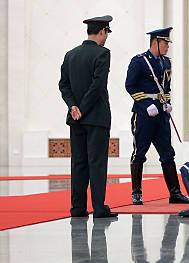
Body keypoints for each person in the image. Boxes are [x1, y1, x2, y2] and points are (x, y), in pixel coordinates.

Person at [59, 15, 117, 218]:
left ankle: (78, 208)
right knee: (97, 162)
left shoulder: (70, 55)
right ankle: (99, 208)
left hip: (76, 119)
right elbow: (97, 86)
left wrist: (73, 106)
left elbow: (63, 85)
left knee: (78, 163)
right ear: (102, 31)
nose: (106, 37)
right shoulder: (103, 54)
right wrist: (82, 108)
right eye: (106, 33)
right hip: (97, 118)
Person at [125, 27, 189, 206]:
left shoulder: (166, 63)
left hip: (161, 115)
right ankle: (136, 193)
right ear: (156, 42)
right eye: (165, 43)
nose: (168, 46)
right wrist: (147, 105)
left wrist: (166, 104)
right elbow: (130, 86)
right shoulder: (139, 61)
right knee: (139, 152)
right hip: (144, 115)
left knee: (167, 153)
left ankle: (175, 192)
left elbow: (166, 88)